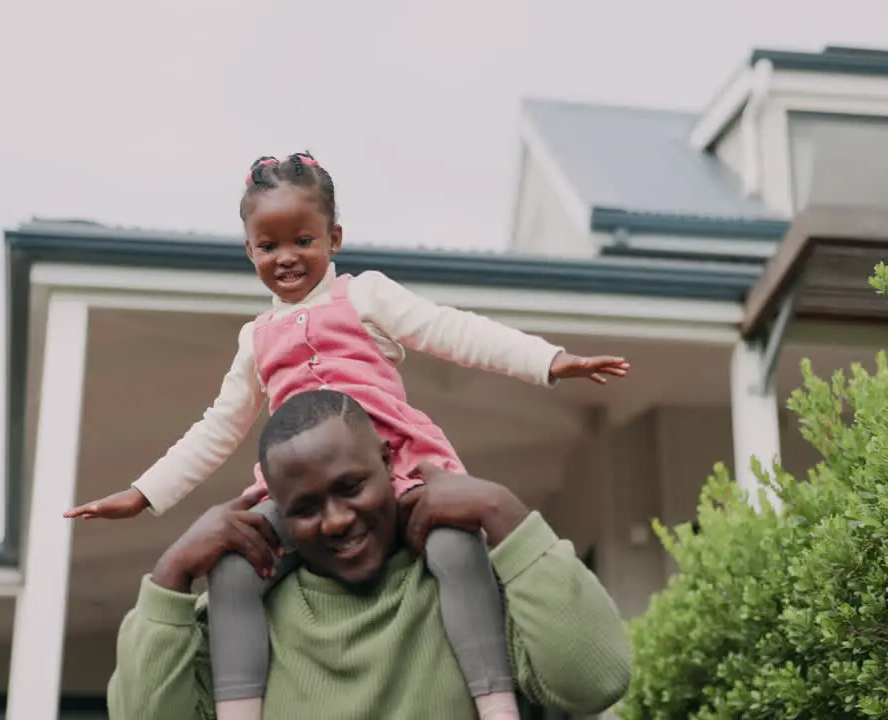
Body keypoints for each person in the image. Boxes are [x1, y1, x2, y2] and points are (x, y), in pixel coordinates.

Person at [67, 151, 630, 720]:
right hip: (287, 487)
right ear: (249, 251)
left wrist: (548, 361)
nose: (287, 258)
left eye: (303, 241)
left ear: (334, 238)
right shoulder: (256, 339)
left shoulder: (365, 297)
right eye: (269, 247)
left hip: (409, 473)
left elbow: (451, 330)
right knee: (233, 571)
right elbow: (217, 427)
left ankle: (495, 700)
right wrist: (145, 495)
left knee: (456, 547)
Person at [105, 389, 632, 719]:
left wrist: (503, 511)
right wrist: (171, 573)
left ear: (388, 462)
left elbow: (595, 681)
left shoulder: (467, 590)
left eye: (351, 486)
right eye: (305, 507)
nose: (336, 520)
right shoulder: (240, 622)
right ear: (276, 510)